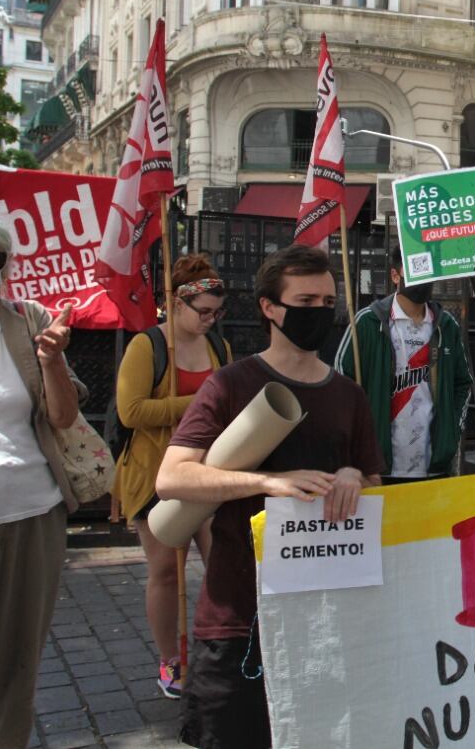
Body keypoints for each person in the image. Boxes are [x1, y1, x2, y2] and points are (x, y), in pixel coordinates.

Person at [156, 245, 383, 749]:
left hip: (326, 616)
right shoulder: (231, 384)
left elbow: (372, 482)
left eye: (328, 301)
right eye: (306, 300)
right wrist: (267, 482)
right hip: (238, 618)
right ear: (269, 308)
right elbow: (171, 479)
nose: (321, 312)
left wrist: (351, 475)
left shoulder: (349, 394)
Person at [114, 254, 232, 698]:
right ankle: (170, 660)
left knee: (223, 562)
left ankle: (218, 647)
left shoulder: (218, 347)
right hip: (155, 476)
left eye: (216, 312)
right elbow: (132, 410)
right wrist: (199, 401)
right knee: (166, 569)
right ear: (176, 304)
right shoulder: (147, 346)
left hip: (207, 472)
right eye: (203, 311)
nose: (210, 320)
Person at [0, 225, 87, 748]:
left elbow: (63, 415)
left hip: (32, 513)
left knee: (17, 663)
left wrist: (52, 360)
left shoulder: (27, 321)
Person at [335, 247, 473, 481]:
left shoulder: (446, 326)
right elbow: (340, 385)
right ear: (395, 275)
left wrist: (451, 431)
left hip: (434, 468)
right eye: (415, 268)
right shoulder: (368, 323)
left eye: (428, 269)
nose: (422, 277)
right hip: (379, 469)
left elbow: (463, 384)